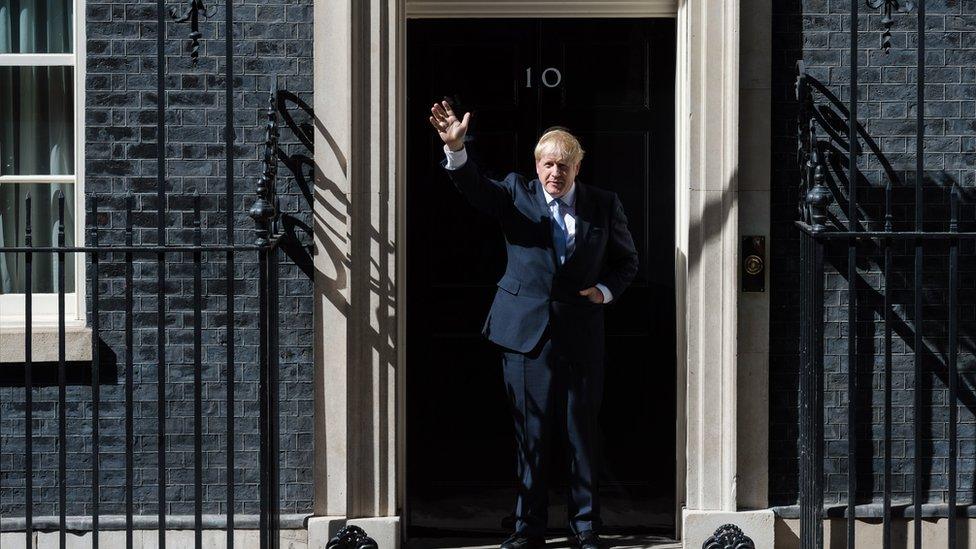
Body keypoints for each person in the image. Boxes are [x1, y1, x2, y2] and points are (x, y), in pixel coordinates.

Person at [428, 100, 638, 549]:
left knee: (582, 431)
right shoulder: (515, 193)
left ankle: (586, 528)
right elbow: (475, 190)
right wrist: (456, 151)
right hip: (525, 335)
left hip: (581, 333)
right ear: (536, 165)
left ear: (577, 166)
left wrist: (604, 291)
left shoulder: (603, 205)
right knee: (532, 432)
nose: (554, 174)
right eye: (547, 164)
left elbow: (627, 261)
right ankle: (528, 529)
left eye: (563, 165)